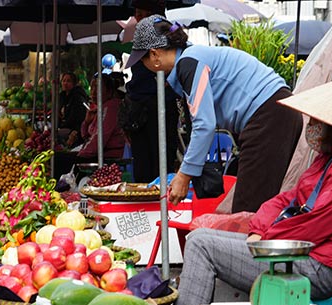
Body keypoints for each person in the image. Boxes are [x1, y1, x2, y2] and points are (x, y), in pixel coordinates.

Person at [171, 76, 332, 305]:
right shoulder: (329, 158)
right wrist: (259, 229)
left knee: (202, 246)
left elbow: (313, 225)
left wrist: (264, 237)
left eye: (318, 121)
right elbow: (287, 199)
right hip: (296, 248)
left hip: (319, 267)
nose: (312, 126)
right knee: (199, 236)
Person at [126, 15, 304, 212]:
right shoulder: (192, 57)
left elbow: (204, 125)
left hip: (270, 115)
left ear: (154, 55)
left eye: (142, 60)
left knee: (247, 210)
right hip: (278, 111)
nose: (144, 65)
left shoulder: (189, 63)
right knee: (261, 207)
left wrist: (184, 176)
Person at [124, 0, 181, 183]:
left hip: (162, 109)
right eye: (136, 13)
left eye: (141, 13)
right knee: (142, 165)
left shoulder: (167, 44)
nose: (137, 17)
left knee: (161, 161)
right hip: (140, 112)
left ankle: (161, 200)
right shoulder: (139, 42)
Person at [54, 73, 127, 179]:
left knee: (59, 160)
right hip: (95, 153)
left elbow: (99, 139)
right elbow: (86, 136)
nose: (93, 92)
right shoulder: (100, 108)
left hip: (107, 156)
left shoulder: (111, 107)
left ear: (109, 91)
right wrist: (87, 122)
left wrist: (80, 154)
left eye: (97, 87)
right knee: (59, 157)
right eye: (92, 87)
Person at [57, 72, 88, 148]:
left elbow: (80, 118)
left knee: (55, 136)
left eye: (68, 81)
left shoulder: (77, 97)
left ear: (74, 83)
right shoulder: (62, 97)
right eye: (64, 81)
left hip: (74, 130)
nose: (65, 83)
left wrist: (74, 132)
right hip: (63, 126)